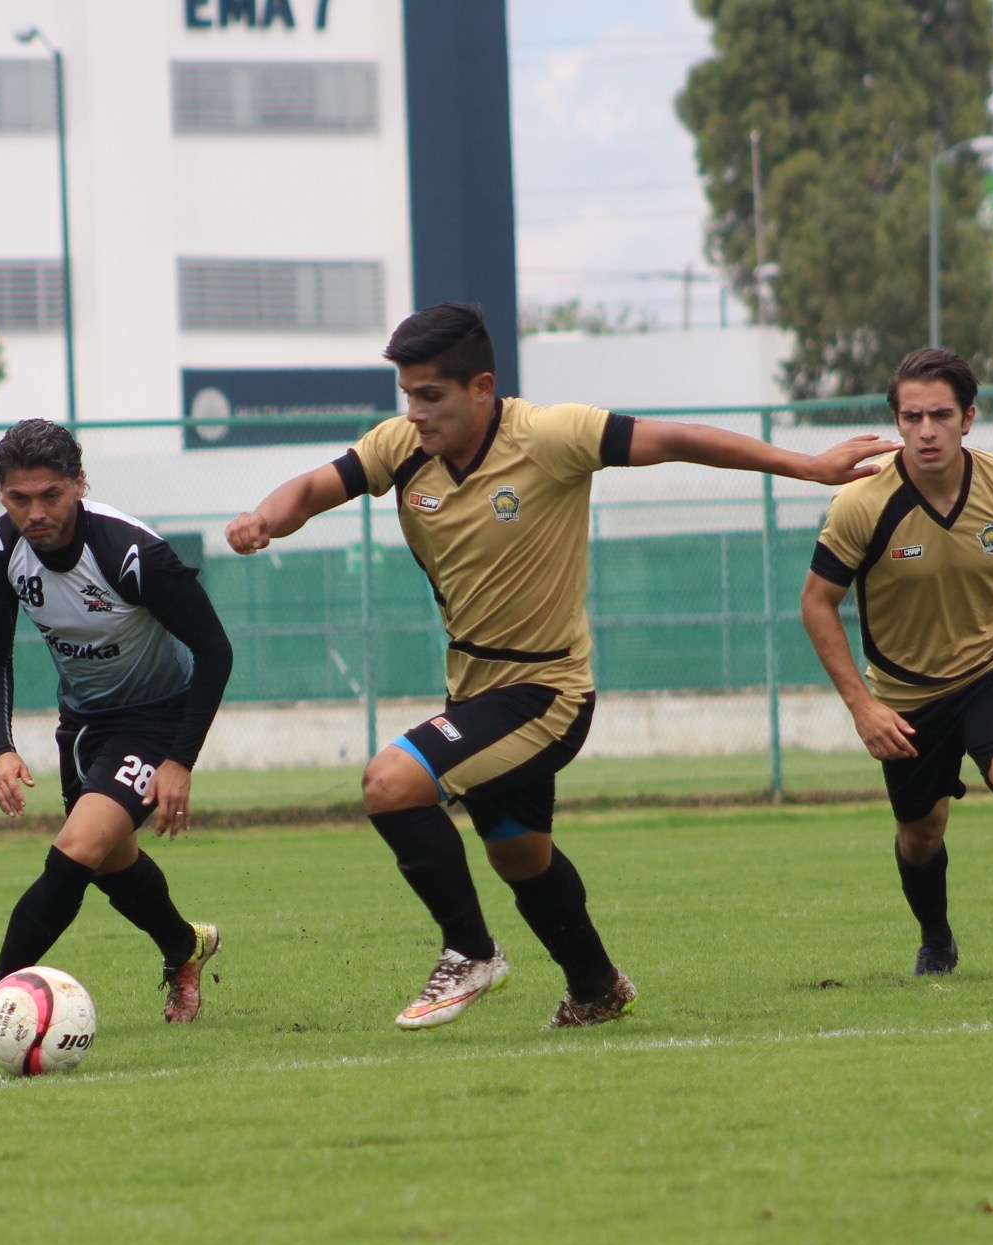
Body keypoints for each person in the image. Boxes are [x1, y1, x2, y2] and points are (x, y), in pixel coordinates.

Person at [224, 302, 897, 1030]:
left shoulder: (548, 435)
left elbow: (673, 438)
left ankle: (470, 951)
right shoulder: (400, 446)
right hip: (472, 692)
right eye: (406, 394)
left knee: (390, 783)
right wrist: (265, 517)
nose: (413, 412)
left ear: (481, 387)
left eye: (430, 395)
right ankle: (596, 987)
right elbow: (313, 489)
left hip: (546, 692)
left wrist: (802, 463)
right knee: (518, 853)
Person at [0, 418, 234, 1041]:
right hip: (82, 725)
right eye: (19, 498)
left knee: (76, 850)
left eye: (51, 495)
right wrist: (0, 748)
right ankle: (185, 945)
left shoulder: (131, 554)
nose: (35, 512)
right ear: (1, 494)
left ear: (79, 483)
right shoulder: (1, 549)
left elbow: (216, 652)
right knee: (109, 861)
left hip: (157, 718)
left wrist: (179, 760)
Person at [800, 348, 993, 981]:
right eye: (911, 417)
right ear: (897, 421)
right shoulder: (861, 504)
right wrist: (862, 705)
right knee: (920, 834)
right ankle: (936, 940)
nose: (926, 430)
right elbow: (817, 604)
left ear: (969, 418)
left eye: (940, 415)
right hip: (905, 696)